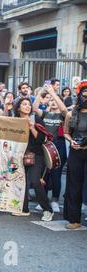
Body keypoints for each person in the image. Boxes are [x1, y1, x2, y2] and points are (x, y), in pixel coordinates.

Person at [12, 98, 53, 221]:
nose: (27, 106)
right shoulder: (13, 121)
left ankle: (47, 210)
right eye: (24, 104)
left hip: (36, 155)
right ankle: (24, 209)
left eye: (29, 104)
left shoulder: (36, 120)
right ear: (18, 108)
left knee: (35, 181)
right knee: (20, 181)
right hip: (19, 155)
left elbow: (41, 140)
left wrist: (32, 128)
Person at [33, 84, 68, 212]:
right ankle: (44, 200)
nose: (53, 102)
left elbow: (64, 110)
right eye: (51, 100)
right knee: (43, 174)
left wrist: (53, 93)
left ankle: (54, 200)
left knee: (56, 174)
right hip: (45, 146)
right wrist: (41, 93)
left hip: (58, 145)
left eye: (55, 100)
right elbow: (34, 108)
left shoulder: (63, 116)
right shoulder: (45, 114)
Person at [63, 80, 87, 229]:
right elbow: (66, 132)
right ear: (79, 96)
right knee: (74, 185)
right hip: (75, 152)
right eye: (84, 95)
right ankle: (74, 219)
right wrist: (71, 141)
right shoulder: (71, 113)